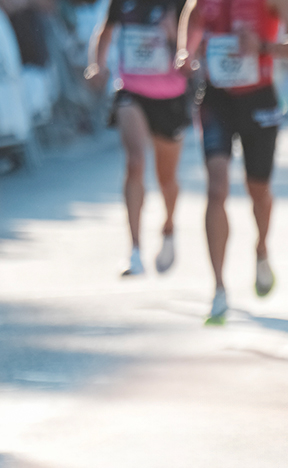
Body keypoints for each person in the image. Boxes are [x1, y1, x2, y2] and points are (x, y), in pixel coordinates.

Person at [177, 0, 288, 325]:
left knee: (259, 190)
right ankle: (219, 288)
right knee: (216, 188)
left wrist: (265, 46)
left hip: (259, 99)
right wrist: (186, 51)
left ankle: (262, 248)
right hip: (216, 99)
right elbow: (191, 16)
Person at [86, 0, 188, 277]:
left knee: (166, 178)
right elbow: (105, 31)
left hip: (170, 96)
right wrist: (97, 65)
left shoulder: (181, 3)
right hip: (131, 89)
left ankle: (168, 227)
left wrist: (174, 38)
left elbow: (195, 47)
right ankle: (134, 249)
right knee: (135, 162)